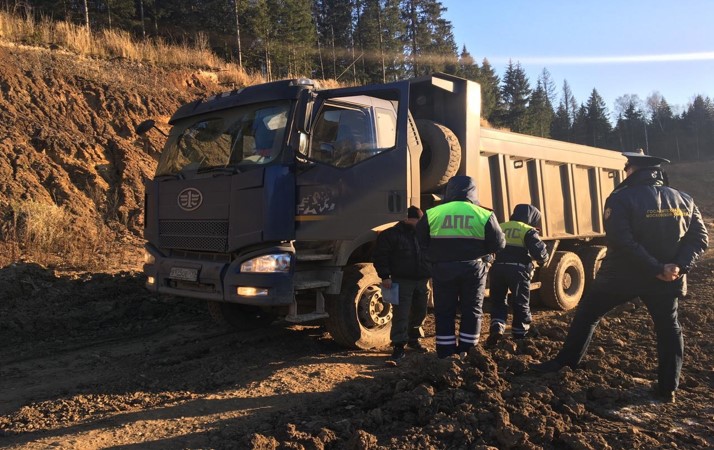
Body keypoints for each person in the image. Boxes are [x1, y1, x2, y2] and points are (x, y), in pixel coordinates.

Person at [531, 151, 708, 404]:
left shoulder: (622, 198)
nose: (625, 172)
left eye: (627, 168)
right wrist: (676, 267)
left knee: (588, 315)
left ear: (633, 170)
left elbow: (621, 240)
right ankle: (668, 388)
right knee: (669, 328)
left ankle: (564, 364)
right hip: (666, 280)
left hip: (621, 277)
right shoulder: (684, 199)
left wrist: (655, 267)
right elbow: (700, 239)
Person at [416, 175, 506, 358]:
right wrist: (484, 256)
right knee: (472, 309)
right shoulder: (484, 213)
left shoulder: (433, 213)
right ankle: (468, 350)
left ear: (449, 191)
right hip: (473, 268)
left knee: (444, 310)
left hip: (443, 268)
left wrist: (433, 259)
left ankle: (445, 352)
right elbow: (499, 243)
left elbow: (420, 240)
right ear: (473, 191)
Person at [373, 206, 431, 365]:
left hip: (422, 280)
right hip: (401, 280)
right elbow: (381, 256)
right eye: (418, 220)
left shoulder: (424, 234)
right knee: (401, 314)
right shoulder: (390, 235)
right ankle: (398, 345)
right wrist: (385, 276)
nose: (420, 224)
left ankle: (414, 339)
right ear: (407, 219)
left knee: (420, 311)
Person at [486, 204, 549, 347]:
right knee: (520, 302)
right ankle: (520, 334)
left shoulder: (500, 226)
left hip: (497, 269)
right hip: (518, 271)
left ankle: (497, 328)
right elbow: (540, 254)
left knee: (498, 301)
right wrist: (543, 260)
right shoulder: (528, 230)